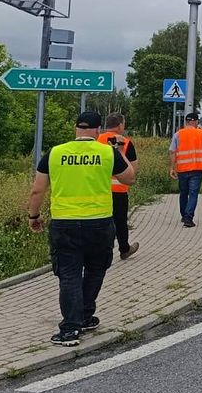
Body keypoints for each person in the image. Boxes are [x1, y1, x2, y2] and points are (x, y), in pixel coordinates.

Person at [28, 111, 135, 346]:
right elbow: (129, 178)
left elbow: (38, 190)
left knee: (69, 275)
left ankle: (70, 329)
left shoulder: (55, 153)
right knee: (96, 270)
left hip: (64, 224)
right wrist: (117, 151)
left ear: (76, 128)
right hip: (99, 223)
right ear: (98, 131)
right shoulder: (107, 152)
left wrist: (33, 216)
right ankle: (85, 316)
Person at [96, 113, 140, 260]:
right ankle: (124, 249)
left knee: (99, 220)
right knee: (120, 221)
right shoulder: (126, 142)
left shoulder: (96, 140)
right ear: (120, 125)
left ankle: (98, 250)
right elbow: (133, 169)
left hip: (97, 189)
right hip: (119, 189)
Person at [170, 112, 202, 227]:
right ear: (195, 121)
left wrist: (172, 168)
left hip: (182, 169)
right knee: (193, 193)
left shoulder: (178, 134)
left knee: (183, 193)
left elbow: (172, 152)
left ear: (186, 122)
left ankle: (184, 216)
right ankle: (189, 218)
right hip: (197, 169)